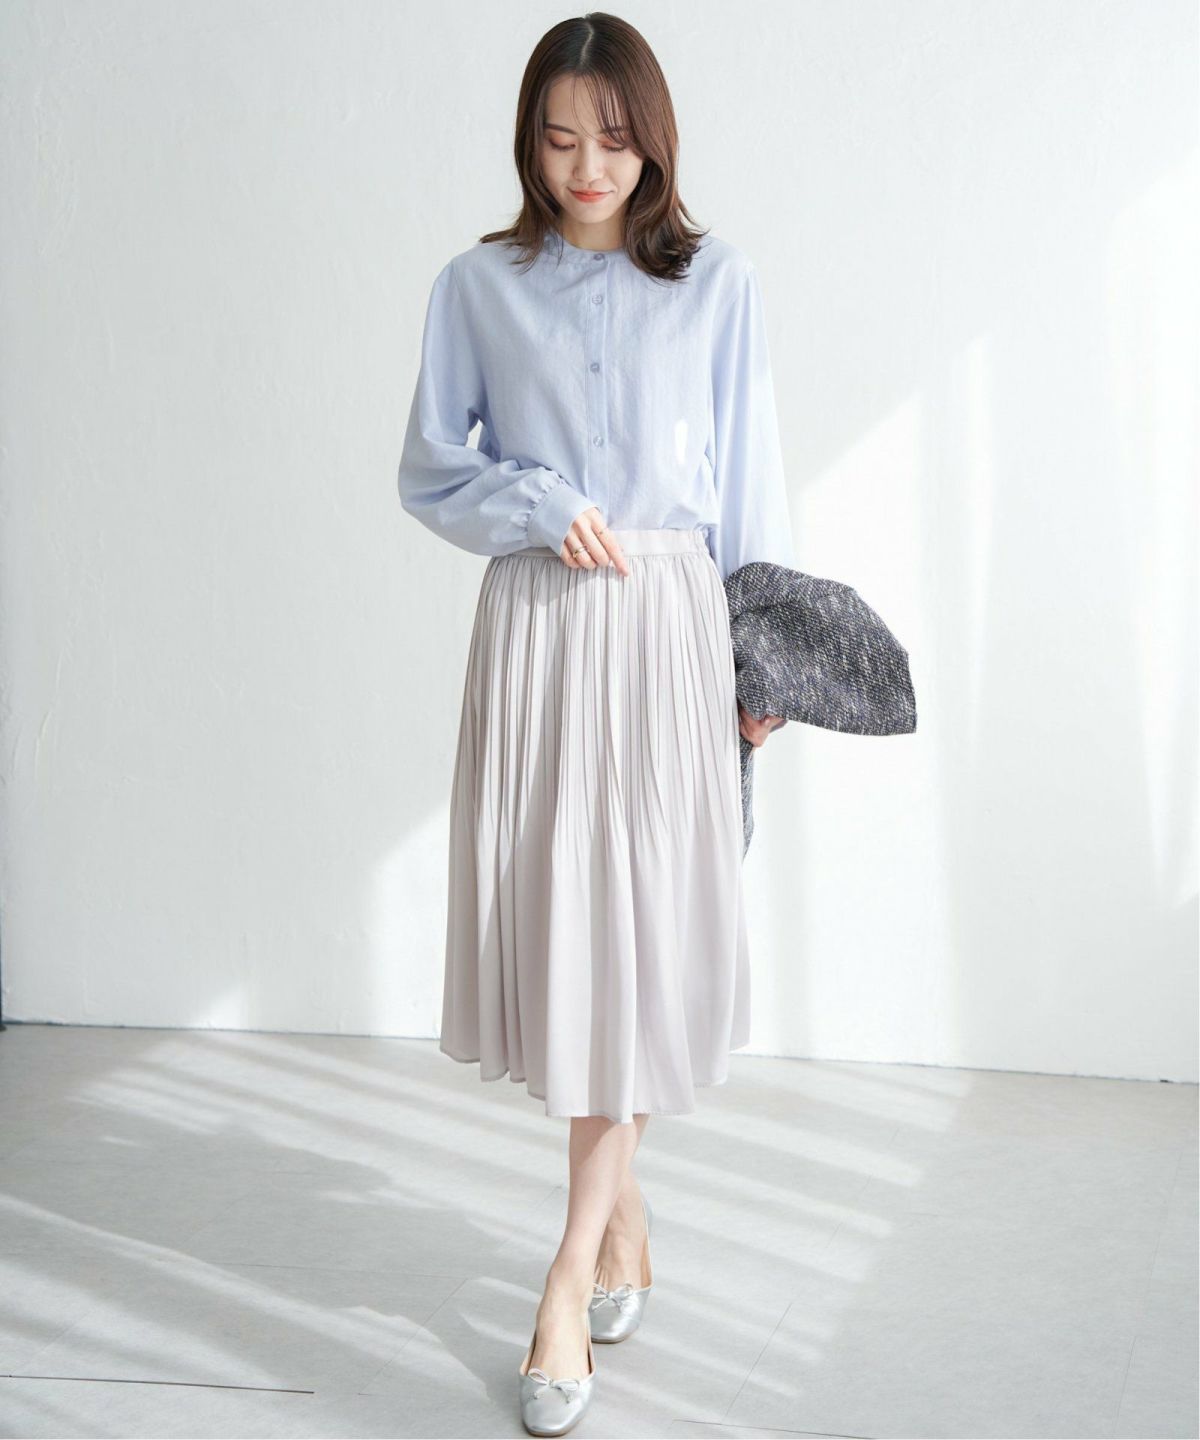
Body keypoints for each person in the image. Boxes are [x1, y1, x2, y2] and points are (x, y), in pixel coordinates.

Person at [396, 14, 793, 1435]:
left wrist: (764, 661)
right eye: (560, 140)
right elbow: (430, 467)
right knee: (573, 947)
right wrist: (536, 502)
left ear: (652, 141)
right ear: (529, 142)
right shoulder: (477, 287)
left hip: (674, 628)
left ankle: (566, 1274)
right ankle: (621, 1221)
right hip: (544, 634)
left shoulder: (719, 283)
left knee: (641, 946)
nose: (586, 168)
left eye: (613, 141)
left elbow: (752, 477)